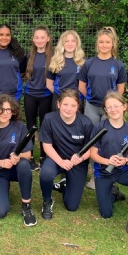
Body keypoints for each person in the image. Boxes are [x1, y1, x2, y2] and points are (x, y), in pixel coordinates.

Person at [90, 92, 128, 242]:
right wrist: (107, 161)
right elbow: (92, 154)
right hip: (103, 173)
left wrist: (125, 161)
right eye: (109, 107)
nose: (113, 110)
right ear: (105, 110)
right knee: (106, 214)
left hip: (122, 171)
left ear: (124, 107)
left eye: (116, 106)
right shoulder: (100, 127)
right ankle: (114, 193)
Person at [78, 26, 127, 190]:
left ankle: (110, 171)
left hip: (110, 110)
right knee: (92, 140)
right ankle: (95, 175)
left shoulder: (118, 65)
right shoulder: (89, 63)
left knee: (108, 140)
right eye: (101, 42)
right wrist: (91, 98)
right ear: (97, 44)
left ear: (113, 44)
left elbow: (120, 89)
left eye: (107, 42)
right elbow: (81, 86)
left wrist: (112, 106)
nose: (104, 45)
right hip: (92, 107)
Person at [0, 94, 36, 226]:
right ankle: (3, 188)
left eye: (8, 109)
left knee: (24, 165)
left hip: (16, 169)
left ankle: (26, 206)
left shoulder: (20, 126)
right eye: (1, 109)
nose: (5, 113)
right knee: (0, 211)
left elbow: (28, 154)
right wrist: (2, 163)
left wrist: (18, 157)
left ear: (13, 111)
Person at [38, 89, 93, 220]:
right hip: (57, 159)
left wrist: (80, 158)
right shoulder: (49, 118)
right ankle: (47, 201)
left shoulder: (86, 123)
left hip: (77, 163)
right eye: (65, 104)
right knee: (45, 173)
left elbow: (90, 149)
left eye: (73, 105)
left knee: (71, 206)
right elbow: (47, 145)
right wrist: (61, 161)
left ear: (78, 106)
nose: (68, 109)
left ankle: (65, 185)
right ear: (58, 104)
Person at [24, 25, 53, 170]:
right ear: (33, 39)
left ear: (48, 39)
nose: (39, 40)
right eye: (37, 37)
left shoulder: (53, 56)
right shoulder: (29, 55)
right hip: (30, 94)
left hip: (46, 95)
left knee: (44, 126)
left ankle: (43, 156)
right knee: (31, 126)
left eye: (42, 37)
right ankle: (29, 156)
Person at [46, 30, 85, 111]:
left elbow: (85, 84)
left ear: (77, 43)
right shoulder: (55, 61)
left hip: (77, 100)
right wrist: (60, 95)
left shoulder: (83, 62)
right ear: (62, 43)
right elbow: (49, 84)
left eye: (73, 41)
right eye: (66, 41)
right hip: (59, 99)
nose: (70, 44)